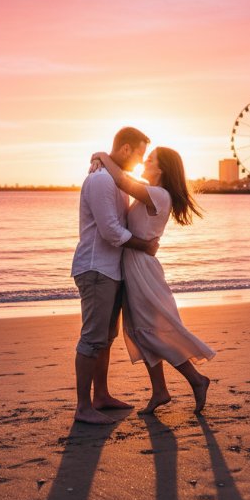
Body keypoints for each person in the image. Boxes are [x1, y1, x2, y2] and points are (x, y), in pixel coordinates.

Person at [90, 146, 215, 415]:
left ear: (161, 169)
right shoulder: (152, 192)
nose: (144, 162)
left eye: (150, 159)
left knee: (151, 330)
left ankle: (196, 379)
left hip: (142, 267)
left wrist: (102, 155)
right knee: (139, 330)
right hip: (133, 265)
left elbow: (122, 180)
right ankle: (160, 390)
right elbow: (122, 179)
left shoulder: (158, 194)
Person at [71, 127, 159, 425]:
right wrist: (144, 245)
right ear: (125, 149)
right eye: (140, 154)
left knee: (106, 339)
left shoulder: (115, 180)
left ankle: (101, 396)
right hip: (95, 269)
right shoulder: (100, 180)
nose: (140, 161)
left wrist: (99, 156)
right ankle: (83, 407)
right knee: (92, 339)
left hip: (110, 270)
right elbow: (110, 231)